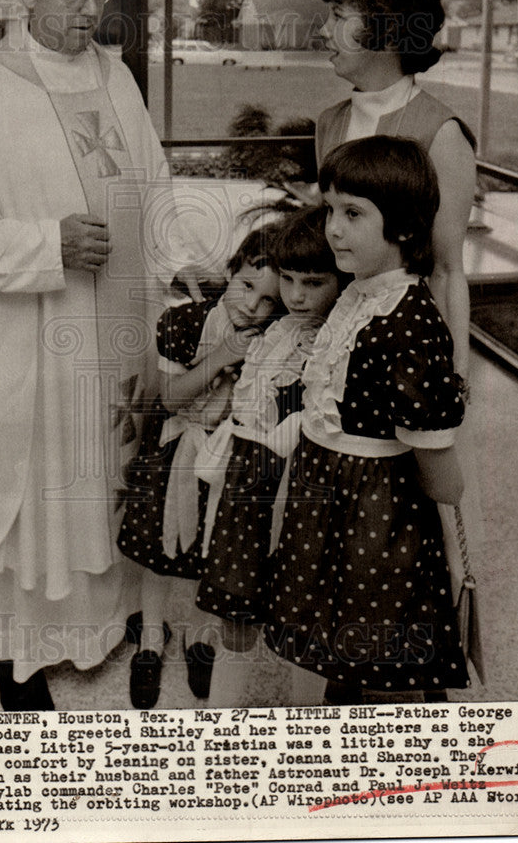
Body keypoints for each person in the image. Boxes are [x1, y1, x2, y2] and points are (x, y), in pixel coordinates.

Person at [0, 0, 181, 711]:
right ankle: (22, 649)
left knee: (114, 469)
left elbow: (156, 183)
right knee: (37, 480)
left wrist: (179, 270)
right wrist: (45, 242)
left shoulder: (117, 78)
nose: (91, 11)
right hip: (31, 333)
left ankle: (115, 616)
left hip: (120, 326)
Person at [264, 136, 470, 703]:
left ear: (403, 227)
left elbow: (439, 470)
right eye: (331, 209)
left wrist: (447, 500)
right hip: (334, 501)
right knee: (344, 635)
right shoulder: (359, 295)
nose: (332, 228)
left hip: (377, 514)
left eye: (353, 214)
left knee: (382, 639)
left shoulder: (408, 321)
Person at [116, 227, 282, 709]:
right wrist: (223, 358)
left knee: (214, 549)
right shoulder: (184, 323)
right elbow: (171, 397)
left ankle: (200, 639)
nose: (253, 306)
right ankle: (150, 637)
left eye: (269, 300)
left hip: (231, 456)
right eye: (248, 286)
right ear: (230, 273)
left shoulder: (274, 340)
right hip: (174, 449)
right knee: (157, 549)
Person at [193, 207, 341, 706]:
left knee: (304, 616)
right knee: (235, 611)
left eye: (313, 283)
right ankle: (221, 716)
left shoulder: (334, 343)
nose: (296, 295)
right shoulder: (273, 332)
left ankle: (306, 722)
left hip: (301, 492)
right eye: (290, 280)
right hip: (247, 484)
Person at [312, 0, 476, 379]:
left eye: (339, 17)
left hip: (404, 352)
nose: (323, 30)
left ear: (385, 29)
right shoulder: (329, 123)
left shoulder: (441, 133)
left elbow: (446, 270)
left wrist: (453, 374)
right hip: (338, 344)